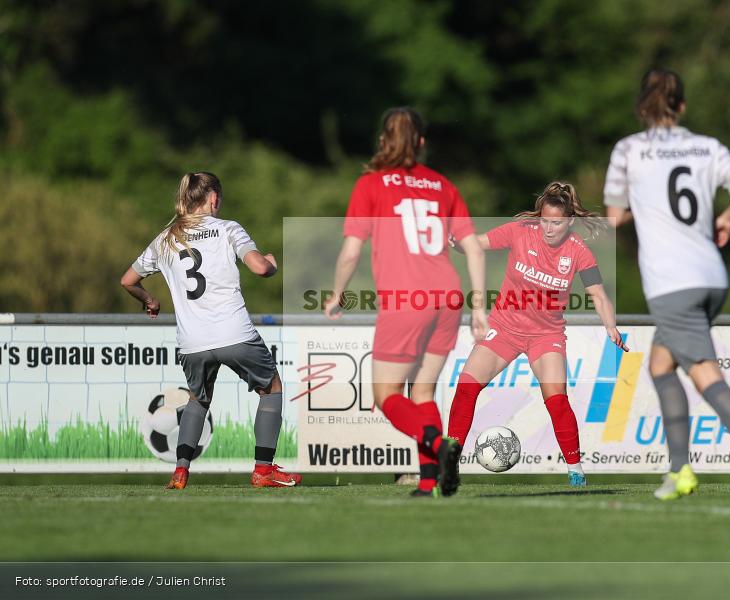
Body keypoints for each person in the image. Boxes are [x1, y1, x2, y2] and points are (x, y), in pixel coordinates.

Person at [603, 68, 730, 501]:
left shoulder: (628, 151)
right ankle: (679, 471)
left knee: (706, 376)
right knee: (660, 365)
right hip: (712, 275)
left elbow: (613, 218)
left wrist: (641, 206)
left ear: (641, 108)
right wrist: (727, 217)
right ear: (682, 107)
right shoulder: (707, 146)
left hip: (672, 282)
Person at [324, 107, 488, 498]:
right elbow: (474, 250)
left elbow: (350, 253)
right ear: (421, 143)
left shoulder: (371, 184)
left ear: (383, 141)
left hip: (406, 299)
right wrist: (479, 306)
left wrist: (337, 292)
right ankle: (430, 482)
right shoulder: (443, 186)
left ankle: (439, 444)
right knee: (423, 392)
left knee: (386, 395)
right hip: (448, 297)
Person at [121, 172, 300, 489]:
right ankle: (263, 470)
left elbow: (128, 281)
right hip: (234, 333)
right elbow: (260, 268)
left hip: (192, 342)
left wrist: (150, 300)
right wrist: (272, 262)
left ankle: (180, 471)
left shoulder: (165, 239)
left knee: (197, 400)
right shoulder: (228, 229)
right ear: (214, 199)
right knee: (271, 387)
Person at [448, 181, 627, 487]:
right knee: (466, 387)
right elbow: (477, 243)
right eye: (544, 220)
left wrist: (610, 326)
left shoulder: (579, 252)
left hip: (546, 336)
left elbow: (597, 294)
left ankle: (576, 471)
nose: (548, 228)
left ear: (570, 221)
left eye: (556, 223)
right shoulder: (521, 232)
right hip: (504, 329)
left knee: (556, 400)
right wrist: (454, 241)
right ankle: (448, 464)